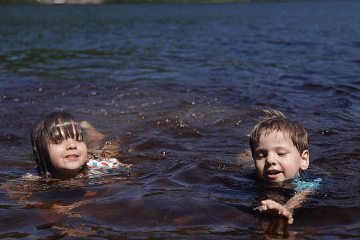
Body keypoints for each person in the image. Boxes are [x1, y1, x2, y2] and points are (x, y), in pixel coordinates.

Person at [249, 109, 320, 234]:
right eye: (261, 155)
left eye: (281, 154)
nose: (270, 160)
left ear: (303, 160)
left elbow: (303, 195)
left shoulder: (307, 181)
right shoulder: (252, 177)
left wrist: (286, 209)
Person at [25, 111, 128, 180]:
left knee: (107, 149)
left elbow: (129, 172)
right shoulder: (33, 178)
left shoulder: (103, 166)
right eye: (59, 141)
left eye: (78, 140)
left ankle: (90, 130)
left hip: (94, 158)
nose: (72, 145)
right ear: (42, 152)